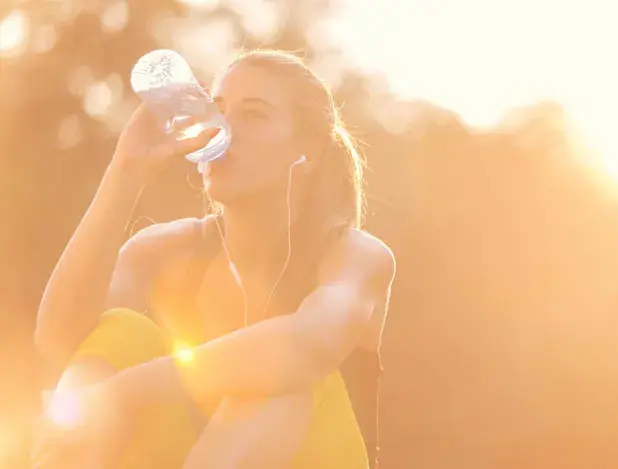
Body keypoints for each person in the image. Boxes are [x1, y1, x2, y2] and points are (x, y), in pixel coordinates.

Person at [33, 49, 395, 469]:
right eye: (217, 109)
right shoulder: (167, 249)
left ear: (309, 151)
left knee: (279, 385)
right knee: (121, 330)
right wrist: (125, 169)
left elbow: (303, 346)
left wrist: (121, 392)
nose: (223, 128)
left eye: (254, 115)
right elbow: (60, 340)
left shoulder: (355, 256)